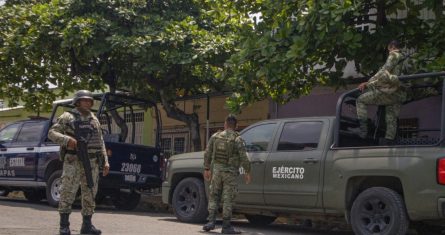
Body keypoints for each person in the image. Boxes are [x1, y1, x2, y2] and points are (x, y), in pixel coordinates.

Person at [48, 90, 110, 235]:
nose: (88, 102)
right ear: (77, 101)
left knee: (90, 193)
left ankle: (87, 226)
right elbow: (52, 133)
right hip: (73, 160)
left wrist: (105, 162)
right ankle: (64, 226)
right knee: (68, 192)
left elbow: (100, 142)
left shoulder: (94, 119)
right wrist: (67, 140)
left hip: (92, 162)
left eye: (90, 100)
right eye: (84, 100)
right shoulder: (67, 116)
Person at [202, 115, 251, 234]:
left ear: (225, 124)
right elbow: (244, 157)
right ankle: (226, 226)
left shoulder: (215, 136)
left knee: (214, 195)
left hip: (217, 171)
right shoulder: (238, 139)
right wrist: (247, 171)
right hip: (230, 173)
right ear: (236, 126)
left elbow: (207, 153)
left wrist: (207, 168)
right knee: (227, 198)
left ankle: (211, 221)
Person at [352, 40, 407, 144]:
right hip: (400, 93)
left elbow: (383, 72)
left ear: (390, 46)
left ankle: (363, 131)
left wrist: (368, 83)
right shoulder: (405, 58)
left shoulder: (394, 55)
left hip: (389, 91)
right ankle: (389, 141)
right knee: (391, 117)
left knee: (360, 100)